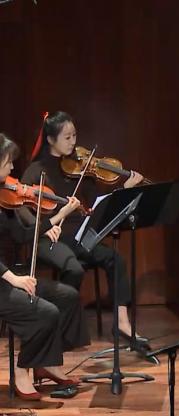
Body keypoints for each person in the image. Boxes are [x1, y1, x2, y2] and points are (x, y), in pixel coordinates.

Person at [20, 111, 148, 349]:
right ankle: (61, 326)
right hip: (49, 239)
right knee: (75, 269)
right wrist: (42, 228)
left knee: (115, 259)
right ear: (50, 140)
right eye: (67, 137)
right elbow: (21, 208)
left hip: (77, 237)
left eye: (74, 135)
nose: (73, 142)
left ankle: (122, 323)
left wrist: (124, 190)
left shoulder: (81, 169)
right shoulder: (37, 170)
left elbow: (95, 207)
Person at [0, 133, 90, 400]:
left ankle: (46, 363)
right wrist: (13, 279)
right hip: (3, 279)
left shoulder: (5, 198)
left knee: (67, 297)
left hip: (6, 275)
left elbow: (22, 235)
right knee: (46, 312)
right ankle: (23, 369)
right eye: (7, 163)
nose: (13, 168)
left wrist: (59, 215)